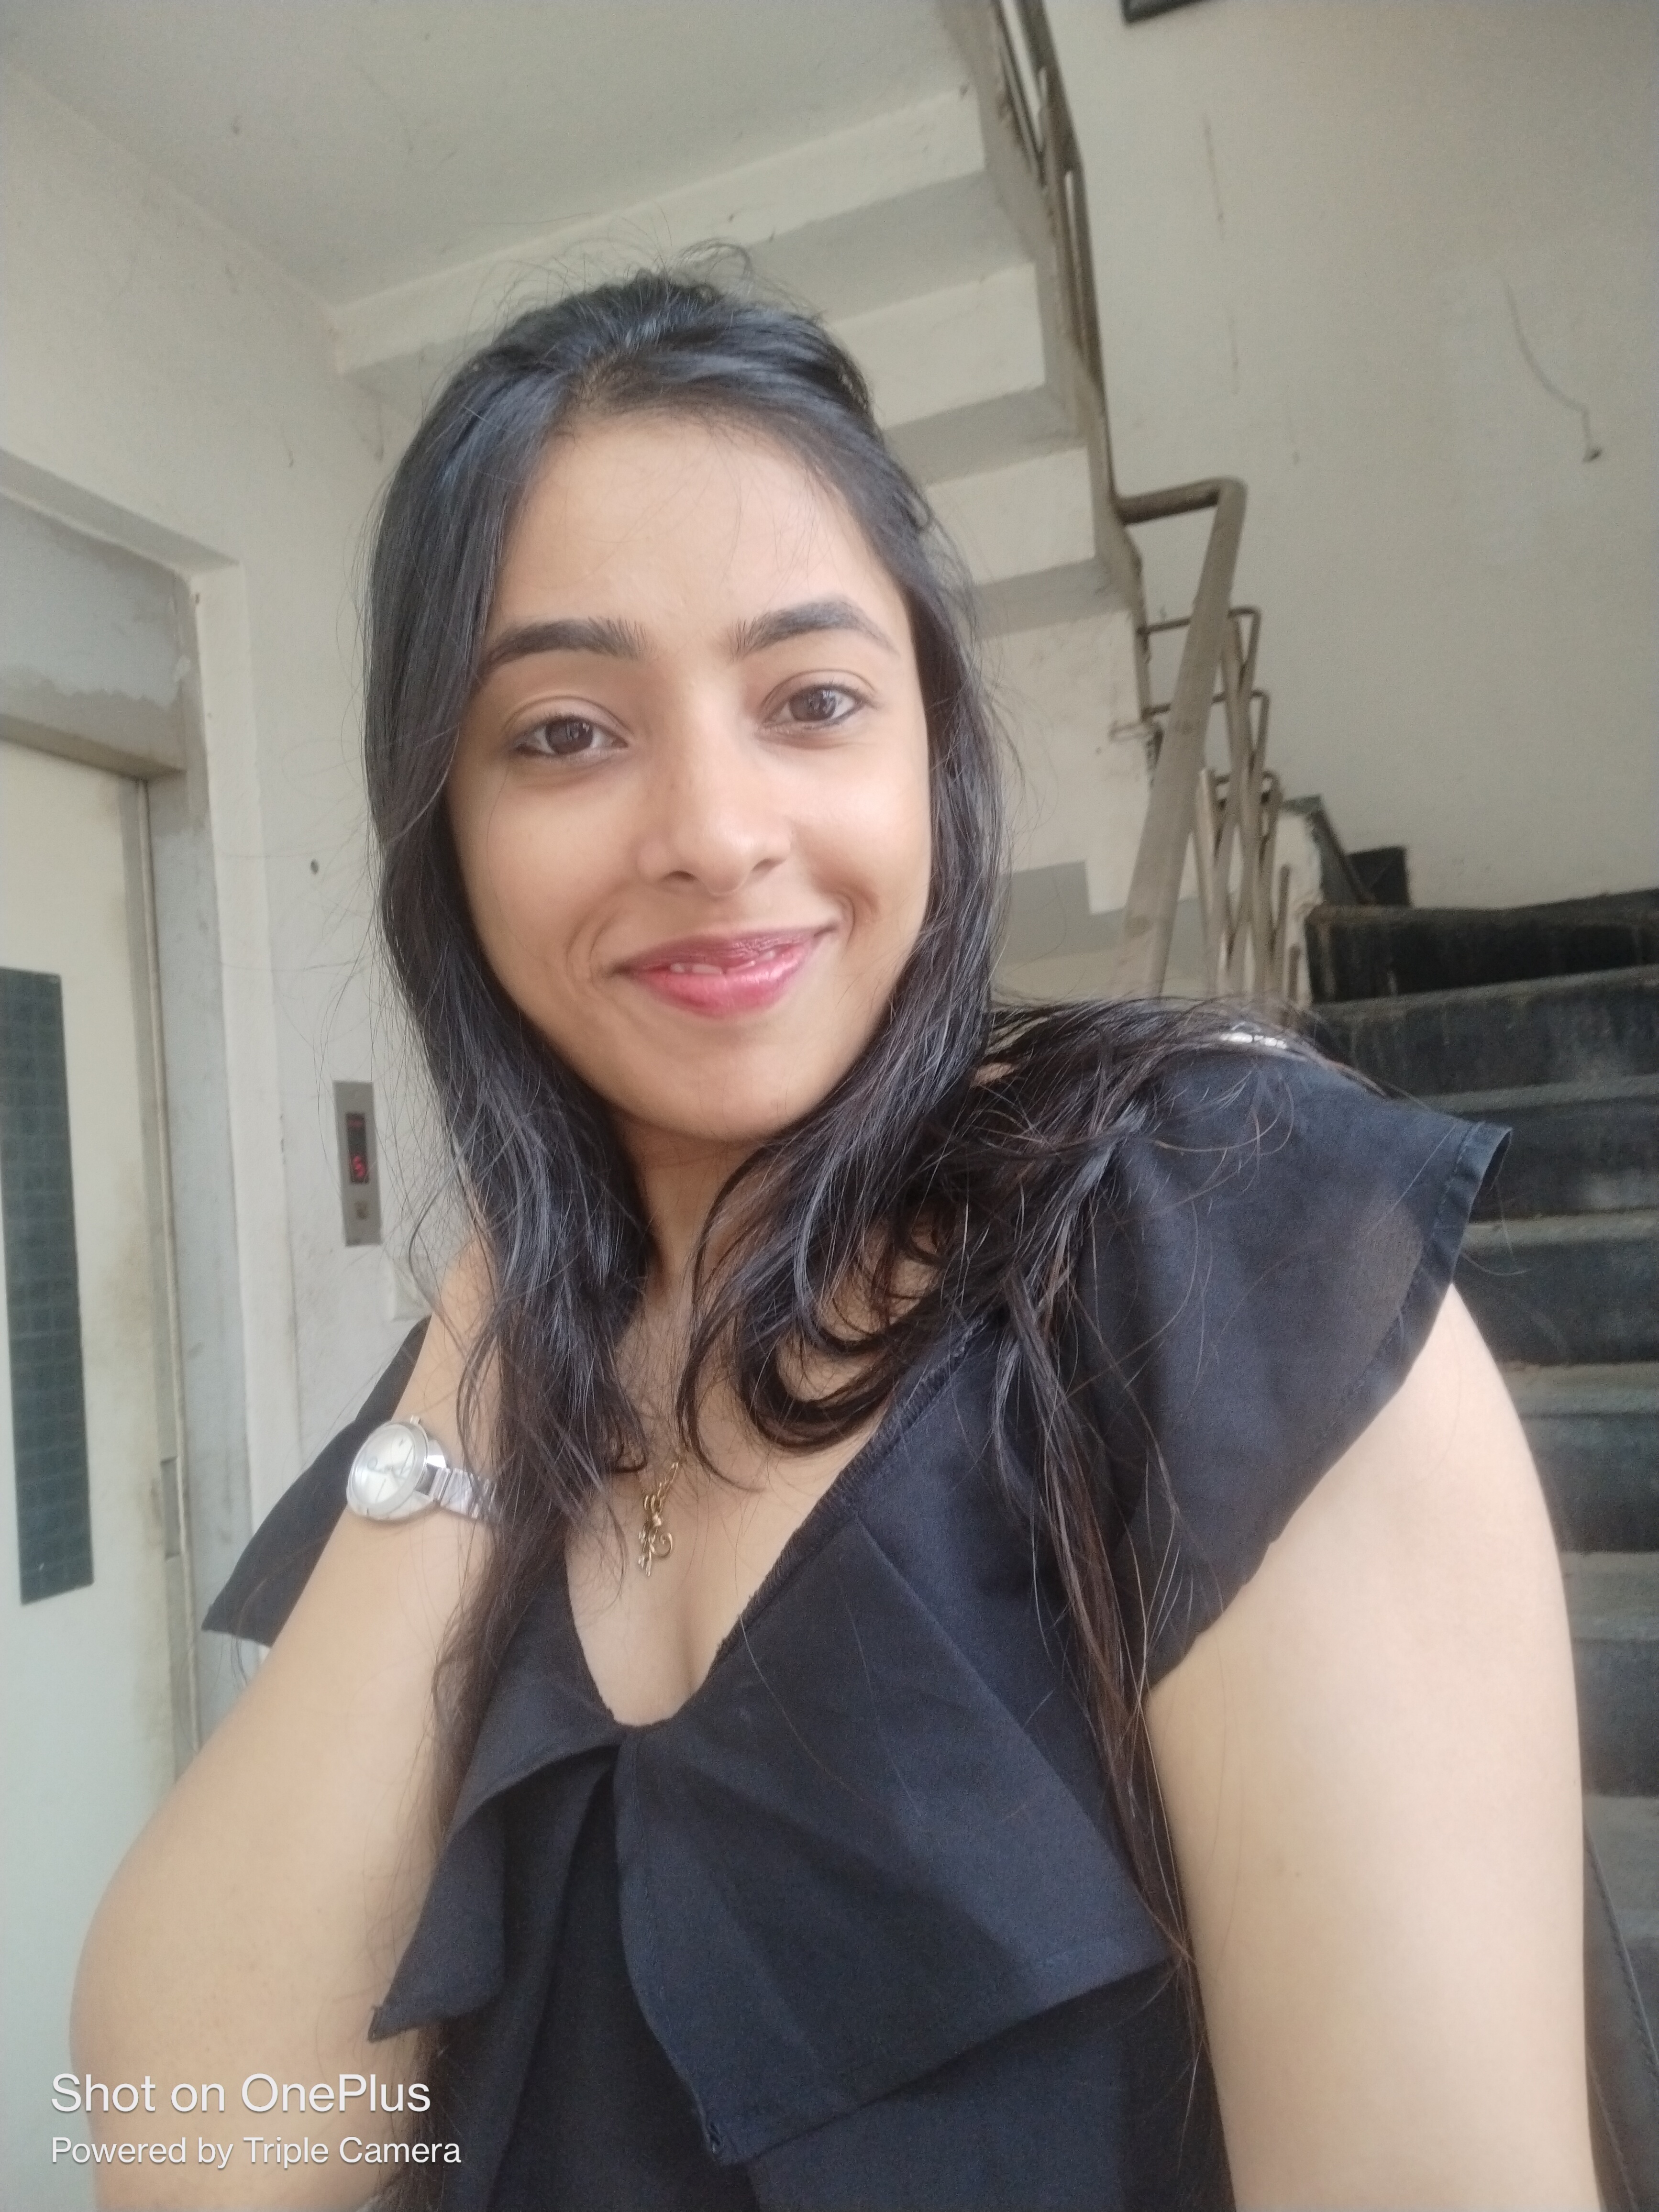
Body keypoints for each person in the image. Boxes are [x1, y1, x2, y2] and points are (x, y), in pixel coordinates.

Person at [73, 273, 1598, 2212]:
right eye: (564, 731)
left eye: (811, 700)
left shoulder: (1215, 1243)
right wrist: (513, 1266)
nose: (715, 832)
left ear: (927, 755)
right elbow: (197, 2164)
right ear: (442, 827)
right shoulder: (467, 1409)